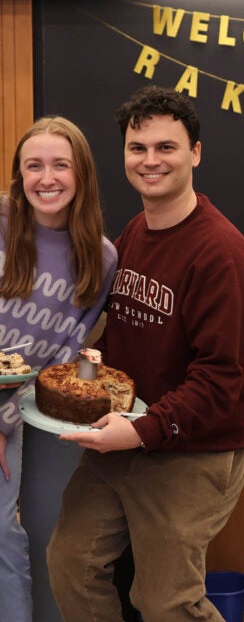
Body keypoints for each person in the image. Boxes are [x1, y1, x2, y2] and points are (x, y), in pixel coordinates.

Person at [47, 86, 244, 622]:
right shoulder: (137, 232)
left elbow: (219, 382)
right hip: (125, 437)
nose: (150, 161)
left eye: (166, 147)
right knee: (70, 564)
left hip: (191, 451)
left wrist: (142, 431)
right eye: (137, 147)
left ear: (195, 152)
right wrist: (82, 361)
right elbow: (125, 339)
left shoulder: (224, 255)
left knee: (166, 602)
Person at [0, 117, 117, 622]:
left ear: (82, 175)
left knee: (8, 535)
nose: (47, 178)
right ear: (19, 177)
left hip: (16, 417)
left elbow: (61, 355)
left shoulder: (101, 258)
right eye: (34, 166)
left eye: (60, 165)